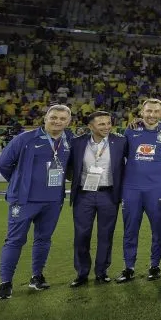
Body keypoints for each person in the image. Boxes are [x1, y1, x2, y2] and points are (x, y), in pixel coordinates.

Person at [0, 104, 73, 299]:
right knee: (15, 240)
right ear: (45, 118)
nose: (58, 121)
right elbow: (3, 164)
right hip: (24, 200)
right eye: (54, 117)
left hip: (53, 200)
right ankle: (5, 283)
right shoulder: (25, 139)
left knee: (43, 240)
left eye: (63, 119)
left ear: (68, 122)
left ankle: (36, 277)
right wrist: (19, 182)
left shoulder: (69, 139)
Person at [68, 110, 127, 287]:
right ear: (90, 126)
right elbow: (70, 166)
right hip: (84, 194)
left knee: (105, 235)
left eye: (109, 123)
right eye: (101, 124)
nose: (107, 127)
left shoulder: (121, 141)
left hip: (109, 194)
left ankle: (102, 272)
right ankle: (82, 273)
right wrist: (77, 180)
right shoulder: (77, 143)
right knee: (81, 235)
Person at [119, 98, 161, 282]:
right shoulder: (131, 130)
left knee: (158, 229)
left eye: (156, 111)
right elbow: (122, 156)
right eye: (148, 111)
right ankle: (129, 267)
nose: (152, 115)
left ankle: (154, 265)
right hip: (131, 188)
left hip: (157, 189)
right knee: (130, 229)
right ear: (142, 112)